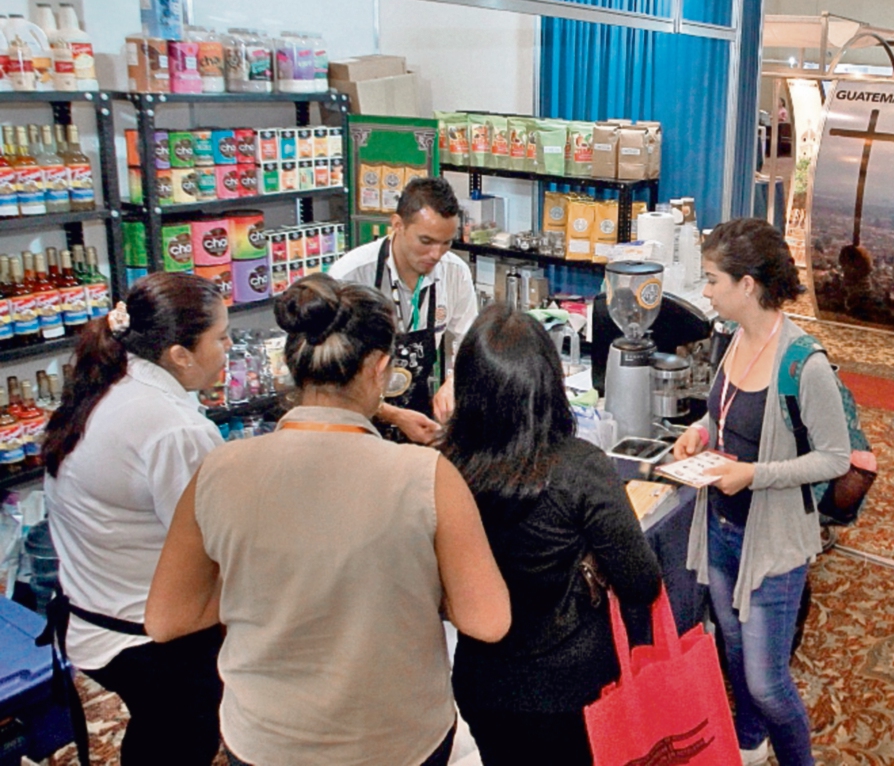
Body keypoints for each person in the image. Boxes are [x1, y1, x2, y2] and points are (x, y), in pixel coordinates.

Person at [145, 274, 510, 766]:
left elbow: (167, 619)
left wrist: (266, 585)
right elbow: (488, 620)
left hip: (263, 740)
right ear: (379, 369)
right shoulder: (426, 475)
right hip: (397, 739)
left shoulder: (218, 470)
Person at [442, 305, 662, 766]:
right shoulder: (579, 467)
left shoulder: (445, 467)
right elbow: (642, 582)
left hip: (482, 683)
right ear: (549, 383)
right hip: (571, 687)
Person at [674, 218, 850, 766]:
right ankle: (750, 741)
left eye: (712, 280)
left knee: (767, 683)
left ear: (747, 284)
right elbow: (726, 413)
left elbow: (835, 458)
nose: (705, 292)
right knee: (732, 645)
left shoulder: (804, 362)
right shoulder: (734, 339)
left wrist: (755, 474)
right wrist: (700, 432)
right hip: (721, 527)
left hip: (771, 542)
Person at [42, 273, 230, 766]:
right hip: (141, 635)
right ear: (180, 354)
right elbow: (216, 545)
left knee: (157, 734)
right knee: (181, 740)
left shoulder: (112, 379)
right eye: (222, 337)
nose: (229, 348)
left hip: (86, 607)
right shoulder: (174, 428)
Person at [330, 176, 477, 444]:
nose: (436, 254)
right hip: (356, 418)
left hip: (417, 410)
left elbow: (468, 341)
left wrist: (453, 382)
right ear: (397, 225)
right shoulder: (350, 276)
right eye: (426, 241)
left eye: (446, 243)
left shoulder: (455, 273)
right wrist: (394, 415)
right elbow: (331, 378)